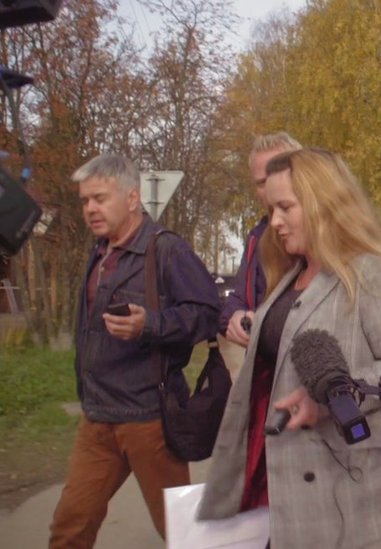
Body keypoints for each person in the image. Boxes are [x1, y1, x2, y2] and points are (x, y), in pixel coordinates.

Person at [197, 149, 381, 547]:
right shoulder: (293, 274)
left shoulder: (370, 272)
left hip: (332, 488)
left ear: (323, 201)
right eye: (272, 209)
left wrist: (330, 398)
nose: (275, 222)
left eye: (286, 207)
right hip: (268, 471)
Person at [50, 154, 220, 548]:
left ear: (131, 198)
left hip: (149, 420)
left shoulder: (166, 250)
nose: (90, 208)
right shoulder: (99, 252)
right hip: (97, 420)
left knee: (182, 535)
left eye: (100, 198)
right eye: (84, 200)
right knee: (69, 526)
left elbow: (206, 314)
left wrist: (151, 325)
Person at [220, 132, 302, 350]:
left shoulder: (324, 238)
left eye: (275, 176)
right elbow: (239, 296)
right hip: (264, 374)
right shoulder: (257, 236)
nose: (270, 189)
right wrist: (236, 317)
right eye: (261, 182)